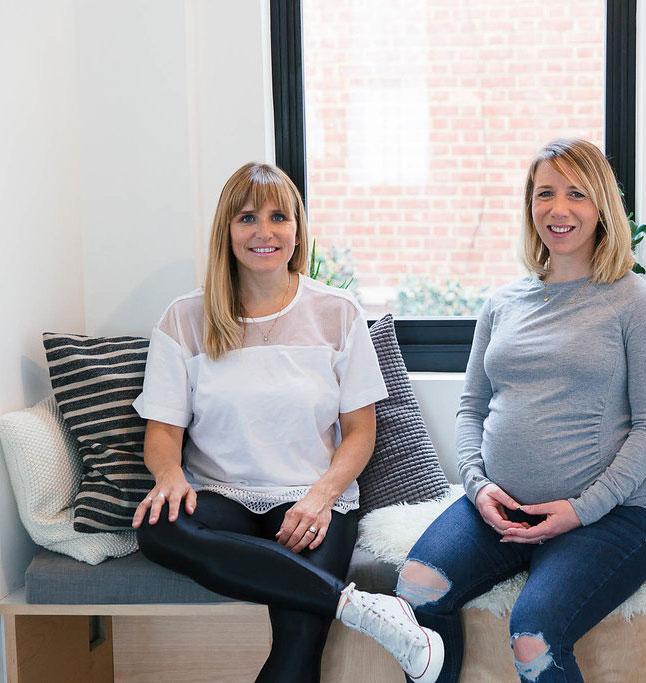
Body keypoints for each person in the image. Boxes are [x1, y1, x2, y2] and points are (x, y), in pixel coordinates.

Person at [132, 162, 444, 683]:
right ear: (226, 231)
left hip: (312, 497)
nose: (264, 232)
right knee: (157, 529)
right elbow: (163, 431)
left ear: (297, 229)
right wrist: (169, 477)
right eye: (247, 218)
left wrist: (321, 497)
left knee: (300, 631)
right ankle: (364, 609)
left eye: (279, 217)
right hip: (220, 495)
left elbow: (360, 432)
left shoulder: (337, 312)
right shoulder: (185, 317)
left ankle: (335, 601)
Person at [395, 139, 646, 682]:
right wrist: (477, 486)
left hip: (616, 515)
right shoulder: (502, 304)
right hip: (501, 507)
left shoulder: (636, 303)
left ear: (601, 207)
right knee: (416, 591)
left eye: (576, 193)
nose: (558, 208)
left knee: (533, 638)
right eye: (544, 193)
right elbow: (472, 407)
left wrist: (580, 509)